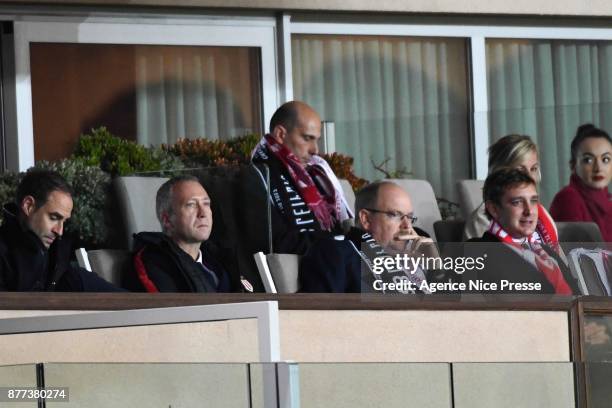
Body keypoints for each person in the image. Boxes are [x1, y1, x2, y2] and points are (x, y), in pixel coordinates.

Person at [251, 101, 353, 254]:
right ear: (280, 134)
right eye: (307, 138)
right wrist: (339, 243)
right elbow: (277, 242)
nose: (315, 150)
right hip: (318, 265)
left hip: (337, 256)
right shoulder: (257, 177)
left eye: (316, 139)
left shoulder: (317, 175)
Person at [300, 181, 436, 293]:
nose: (407, 226)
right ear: (366, 219)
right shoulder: (336, 252)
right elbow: (320, 317)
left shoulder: (420, 248)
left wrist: (437, 267)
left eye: (410, 217)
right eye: (395, 215)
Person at [0, 169, 119, 291]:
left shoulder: (57, 260)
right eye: (54, 218)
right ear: (28, 206)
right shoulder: (5, 257)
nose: (59, 231)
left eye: (64, 221)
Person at [467, 169, 578, 295]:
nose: (529, 211)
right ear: (494, 209)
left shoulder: (547, 252)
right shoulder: (476, 252)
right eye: (517, 202)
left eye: (533, 201)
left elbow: (578, 297)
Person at [127, 175, 244, 293]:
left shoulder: (218, 260)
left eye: (206, 204)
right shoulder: (154, 263)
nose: (203, 213)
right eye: (191, 205)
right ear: (167, 220)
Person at [463, 134, 561, 252]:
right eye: (520, 170)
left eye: (534, 169)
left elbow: (560, 260)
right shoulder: (483, 217)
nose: (530, 177)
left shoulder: (539, 212)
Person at [550, 124, 612, 241]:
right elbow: (575, 255)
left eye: (605, 159)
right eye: (588, 160)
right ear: (573, 165)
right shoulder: (568, 198)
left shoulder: (608, 201)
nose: (598, 168)